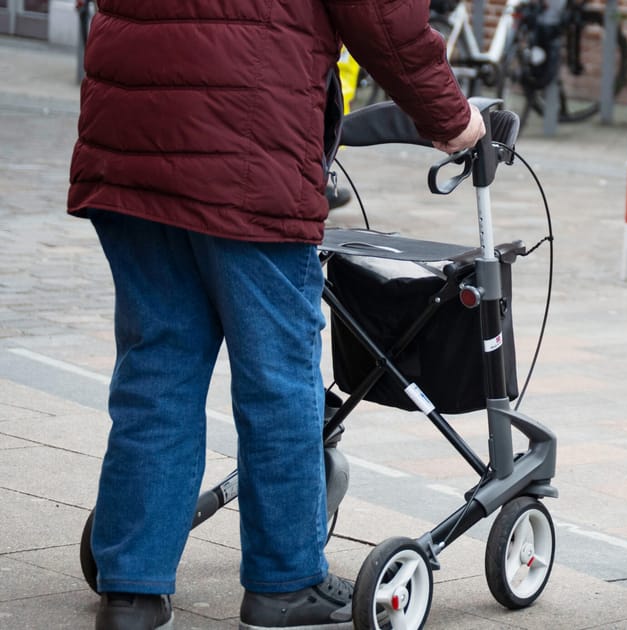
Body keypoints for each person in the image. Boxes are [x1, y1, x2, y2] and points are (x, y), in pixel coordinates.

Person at [68, 2, 484, 629]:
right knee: (279, 379)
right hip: (245, 151)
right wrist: (455, 121)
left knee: (157, 365)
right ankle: (285, 582)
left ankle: (131, 590)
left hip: (128, 136)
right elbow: (384, 17)